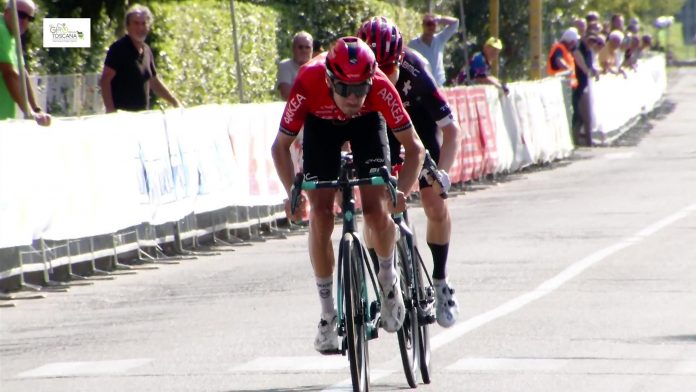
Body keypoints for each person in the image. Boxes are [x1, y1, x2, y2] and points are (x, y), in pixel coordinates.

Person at [271, 37, 425, 353]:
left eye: (360, 89)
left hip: (368, 125)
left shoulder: (380, 86)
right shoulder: (308, 80)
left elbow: (415, 148)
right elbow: (280, 147)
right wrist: (292, 192)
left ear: (371, 80)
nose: (353, 97)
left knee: (375, 209)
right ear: (329, 80)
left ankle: (388, 280)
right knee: (322, 215)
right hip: (321, 126)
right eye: (344, 89)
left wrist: (402, 191)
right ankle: (328, 316)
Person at [358, 17, 461, 328]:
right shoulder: (358, 74)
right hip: (380, 132)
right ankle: (384, 281)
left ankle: (441, 281)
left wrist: (442, 172)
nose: (384, 76)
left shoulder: (416, 70)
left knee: (434, 204)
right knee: (373, 210)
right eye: (378, 69)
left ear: (400, 57)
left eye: (390, 67)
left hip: (419, 131)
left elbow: (451, 131)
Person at [100, 4, 181, 113]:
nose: (140, 27)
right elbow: (105, 79)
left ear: (148, 27)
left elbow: (153, 82)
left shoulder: (147, 50)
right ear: (127, 26)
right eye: (136, 23)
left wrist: (175, 102)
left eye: (143, 23)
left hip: (142, 116)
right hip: (122, 115)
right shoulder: (118, 49)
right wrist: (110, 110)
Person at [0, 0, 50, 125]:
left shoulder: (11, 34)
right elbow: (9, 74)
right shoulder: (1, 31)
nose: (25, 21)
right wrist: (29, 113)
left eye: (30, 18)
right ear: (7, 12)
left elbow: (22, 73)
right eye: (21, 15)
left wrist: (36, 110)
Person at [407, 13, 459, 87]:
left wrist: (440, 19)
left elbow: (455, 22)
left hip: (439, 83)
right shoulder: (413, 44)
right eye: (428, 24)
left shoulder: (440, 39)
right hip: (422, 84)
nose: (431, 27)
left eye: (433, 24)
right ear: (423, 25)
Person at [275, 31, 313, 101]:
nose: (304, 50)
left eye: (307, 47)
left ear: (312, 50)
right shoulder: (285, 66)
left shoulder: (319, 67)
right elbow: (286, 94)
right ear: (293, 49)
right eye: (300, 47)